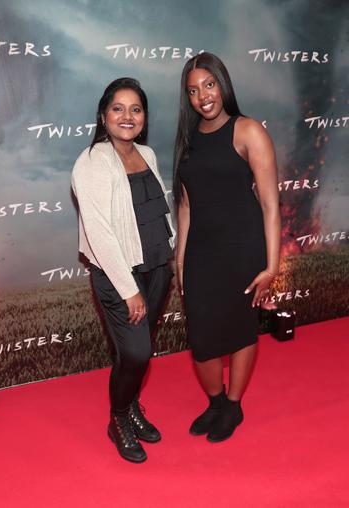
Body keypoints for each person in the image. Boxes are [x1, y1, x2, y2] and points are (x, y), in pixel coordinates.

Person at [174, 52, 281, 443]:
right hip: (201, 252)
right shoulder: (186, 142)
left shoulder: (248, 130)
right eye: (193, 90)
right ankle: (216, 401)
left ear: (222, 84)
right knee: (202, 341)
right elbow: (185, 207)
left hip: (242, 248)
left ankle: (232, 405)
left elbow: (270, 206)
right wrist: (181, 261)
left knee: (240, 330)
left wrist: (271, 267)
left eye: (209, 84)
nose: (202, 95)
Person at [72, 78, 175, 463]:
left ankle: (131, 408)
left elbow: (157, 208)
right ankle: (118, 419)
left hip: (157, 268)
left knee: (139, 354)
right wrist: (128, 288)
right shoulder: (92, 161)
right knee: (136, 354)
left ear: (144, 117)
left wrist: (172, 252)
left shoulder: (147, 153)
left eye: (136, 109)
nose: (127, 116)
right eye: (118, 108)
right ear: (104, 115)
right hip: (121, 277)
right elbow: (99, 231)